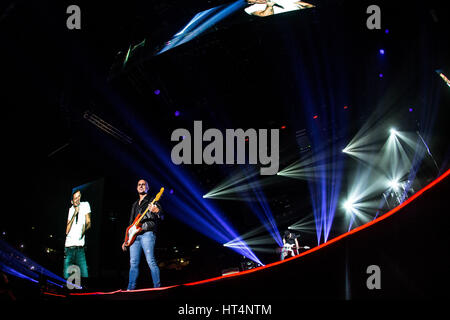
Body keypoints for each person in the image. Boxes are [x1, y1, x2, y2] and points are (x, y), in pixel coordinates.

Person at [122, 179, 163, 290]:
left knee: (151, 261)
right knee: (133, 263)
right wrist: (126, 240)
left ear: (147, 188)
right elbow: (130, 224)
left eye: (143, 184)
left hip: (147, 234)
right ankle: (130, 289)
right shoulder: (134, 204)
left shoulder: (152, 200)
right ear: (136, 188)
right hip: (134, 237)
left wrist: (156, 211)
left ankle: (157, 288)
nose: (141, 186)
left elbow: (162, 215)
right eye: (139, 185)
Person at [63, 190, 91, 286]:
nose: (77, 199)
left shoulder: (85, 205)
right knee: (68, 281)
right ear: (72, 201)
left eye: (79, 196)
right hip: (69, 248)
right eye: (75, 198)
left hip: (80, 249)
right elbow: (67, 230)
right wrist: (75, 213)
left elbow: (89, 222)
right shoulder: (71, 210)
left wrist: (84, 230)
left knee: (84, 277)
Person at [245, 0, 315, 17]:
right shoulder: (250, 9)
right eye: (255, 0)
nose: (259, 0)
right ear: (250, 2)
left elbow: (307, 5)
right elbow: (266, 16)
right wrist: (269, 6)